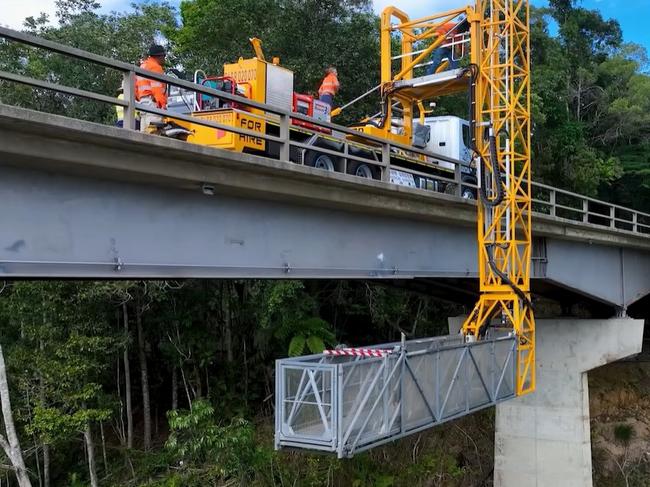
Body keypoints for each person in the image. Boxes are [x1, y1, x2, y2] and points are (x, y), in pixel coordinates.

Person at [136, 44, 168, 133]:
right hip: (153, 104)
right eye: (164, 56)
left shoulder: (142, 66)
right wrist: (162, 105)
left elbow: (135, 86)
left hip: (143, 103)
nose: (164, 58)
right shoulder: (155, 67)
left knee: (145, 134)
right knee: (154, 133)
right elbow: (156, 88)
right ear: (159, 56)